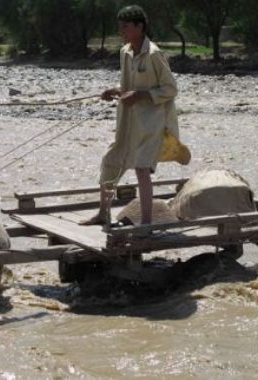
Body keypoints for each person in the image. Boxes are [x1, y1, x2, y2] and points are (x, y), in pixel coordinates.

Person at [81, 5, 180, 226]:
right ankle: (103, 213)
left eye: (125, 27)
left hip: (150, 123)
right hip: (127, 119)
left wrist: (141, 95)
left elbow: (170, 89)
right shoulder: (125, 52)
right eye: (120, 27)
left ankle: (146, 224)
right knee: (110, 161)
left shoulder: (154, 54)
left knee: (141, 168)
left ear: (139, 27)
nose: (121, 31)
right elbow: (128, 85)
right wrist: (115, 90)